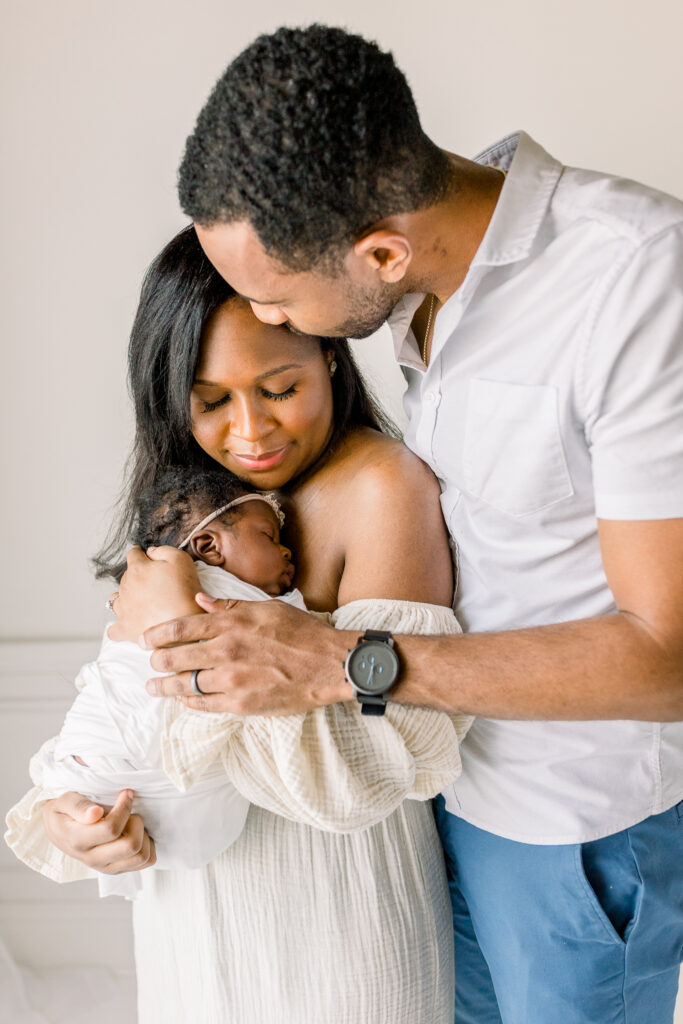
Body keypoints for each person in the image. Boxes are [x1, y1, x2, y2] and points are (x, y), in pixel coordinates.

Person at [44, 24, 682, 1024]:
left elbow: (669, 653)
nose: (265, 316)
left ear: (375, 249)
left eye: (273, 299)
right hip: (445, 818)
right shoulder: (418, 285)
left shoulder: (630, 278)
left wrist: (342, 659)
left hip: (568, 826)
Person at [31, 226, 472, 1023]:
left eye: (277, 390)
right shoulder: (196, 507)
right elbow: (122, 706)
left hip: (337, 932)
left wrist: (195, 644)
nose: (250, 432)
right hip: (189, 925)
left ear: (329, 361)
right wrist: (74, 811)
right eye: (209, 401)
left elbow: (381, 767)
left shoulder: (380, 488)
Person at [5, 468, 305, 898]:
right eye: (269, 537)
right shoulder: (174, 576)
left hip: (154, 816)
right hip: (113, 768)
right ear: (208, 546)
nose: (289, 551)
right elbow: (147, 659)